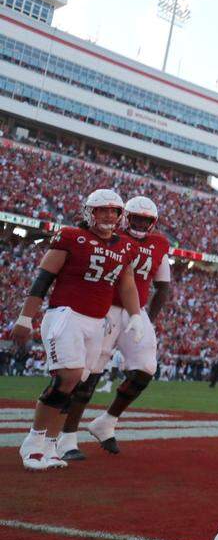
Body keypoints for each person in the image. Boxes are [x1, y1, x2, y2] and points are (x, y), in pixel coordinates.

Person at [12, 189, 143, 471]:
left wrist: (136, 316)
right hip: (66, 314)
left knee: (77, 382)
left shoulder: (126, 246)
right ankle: (33, 442)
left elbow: (127, 284)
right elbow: (44, 278)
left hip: (97, 321)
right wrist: (25, 318)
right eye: (102, 210)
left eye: (114, 211)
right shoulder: (72, 236)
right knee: (67, 377)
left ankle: (51, 444)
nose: (109, 215)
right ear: (90, 212)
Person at [61, 196, 172, 459]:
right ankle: (66, 436)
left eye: (146, 220)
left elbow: (164, 286)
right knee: (90, 373)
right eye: (136, 218)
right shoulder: (112, 238)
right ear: (125, 217)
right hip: (106, 308)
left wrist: (147, 319)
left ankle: (107, 421)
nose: (141, 223)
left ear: (153, 222)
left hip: (136, 311)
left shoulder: (159, 244)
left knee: (146, 368)